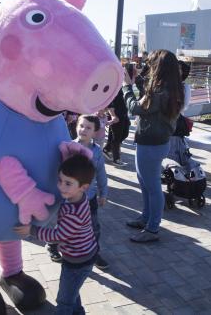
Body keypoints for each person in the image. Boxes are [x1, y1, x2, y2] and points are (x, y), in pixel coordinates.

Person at [14, 154, 98, 314]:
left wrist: (32, 230)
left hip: (77, 261)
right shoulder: (79, 198)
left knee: (64, 301)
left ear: (83, 187)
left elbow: (58, 235)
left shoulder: (73, 211)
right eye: (60, 180)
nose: (61, 187)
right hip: (84, 255)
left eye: (68, 183)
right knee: (72, 292)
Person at [123, 49, 184, 243]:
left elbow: (135, 108)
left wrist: (126, 87)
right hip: (155, 142)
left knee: (152, 186)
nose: (148, 67)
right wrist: (138, 80)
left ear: (159, 67)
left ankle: (152, 228)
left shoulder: (160, 92)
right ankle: (146, 218)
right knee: (145, 183)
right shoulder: (171, 88)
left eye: (151, 64)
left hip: (150, 144)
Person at [48, 115, 110, 269]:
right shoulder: (68, 147)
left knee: (93, 227)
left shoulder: (97, 152)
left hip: (89, 198)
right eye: (81, 126)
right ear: (76, 127)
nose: (83, 130)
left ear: (95, 132)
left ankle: (94, 252)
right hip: (67, 199)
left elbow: (101, 173)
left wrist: (104, 193)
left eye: (88, 128)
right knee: (60, 224)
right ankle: (53, 246)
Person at [103, 91, 130, 167]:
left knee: (125, 133)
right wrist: (113, 115)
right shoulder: (115, 84)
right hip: (115, 114)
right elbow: (110, 101)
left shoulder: (124, 84)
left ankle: (107, 149)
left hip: (124, 113)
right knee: (116, 137)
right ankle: (116, 159)